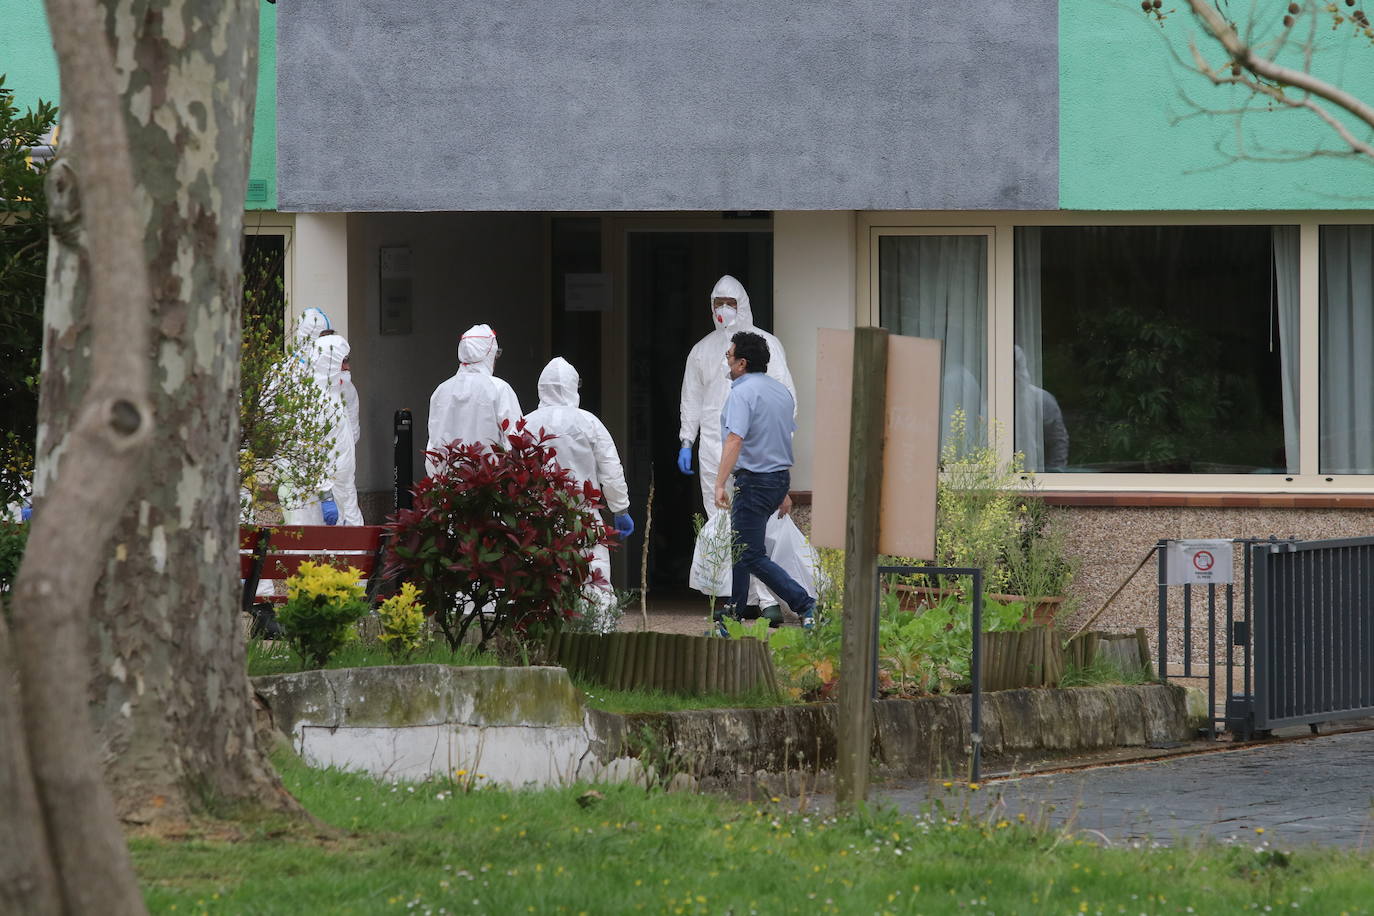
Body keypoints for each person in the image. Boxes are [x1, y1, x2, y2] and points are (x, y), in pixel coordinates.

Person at [679, 274, 816, 623]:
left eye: (731, 303)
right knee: (728, 530)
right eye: (717, 303)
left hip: (750, 454)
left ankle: (769, 599)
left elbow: (786, 404)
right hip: (715, 444)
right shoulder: (702, 351)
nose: (723, 310)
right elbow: (691, 399)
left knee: (752, 536)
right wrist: (687, 438)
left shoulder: (766, 348)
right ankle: (740, 602)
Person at [714, 331, 816, 630]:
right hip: (777, 478)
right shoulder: (780, 392)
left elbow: (735, 439)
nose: (727, 362)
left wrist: (720, 483)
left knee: (750, 553)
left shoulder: (742, 393)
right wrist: (783, 489)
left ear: (742, 363)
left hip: (754, 480)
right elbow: (782, 438)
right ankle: (734, 609)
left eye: (729, 357)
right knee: (741, 546)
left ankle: (804, 603)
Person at [524, 357, 634, 615]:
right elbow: (610, 468)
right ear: (574, 386)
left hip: (538, 516)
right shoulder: (588, 422)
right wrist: (621, 508)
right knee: (593, 578)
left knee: (541, 579)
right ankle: (598, 638)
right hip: (583, 515)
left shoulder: (526, 423)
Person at [426, 324, 523, 475]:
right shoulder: (499, 389)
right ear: (488, 354)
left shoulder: (441, 391)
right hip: (489, 487)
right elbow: (516, 442)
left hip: (448, 487)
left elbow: (433, 445)